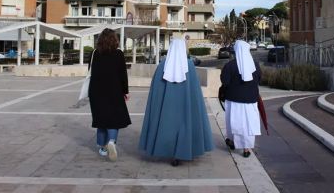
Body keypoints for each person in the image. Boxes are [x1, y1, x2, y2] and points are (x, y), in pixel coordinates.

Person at [138, 38, 214, 166]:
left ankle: (171, 153)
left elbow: (156, 89)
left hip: (167, 109)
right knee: (185, 127)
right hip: (186, 107)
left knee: (167, 127)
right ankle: (184, 151)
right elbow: (195, 90)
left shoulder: (163, 65)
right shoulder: (189, 65)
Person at [88, 28, 131, 161]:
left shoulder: (94, 53)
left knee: (101, 119)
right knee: (114, 119)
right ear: (115, 40)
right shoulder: (119, 54)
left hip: (96, 91)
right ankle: (111, 141)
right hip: (114, 90)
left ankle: (102, 148)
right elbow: (123, 75)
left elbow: (90, 71)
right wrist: (125, 91)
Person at [220, 40, 261, 158]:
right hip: (251, 101)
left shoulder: (230, 65)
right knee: (248, 124)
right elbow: (259, 80)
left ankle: (232, 141)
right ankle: (246, 148)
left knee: (234, 123)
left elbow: (225, 81)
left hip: (233, 100)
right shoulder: (255, 65)